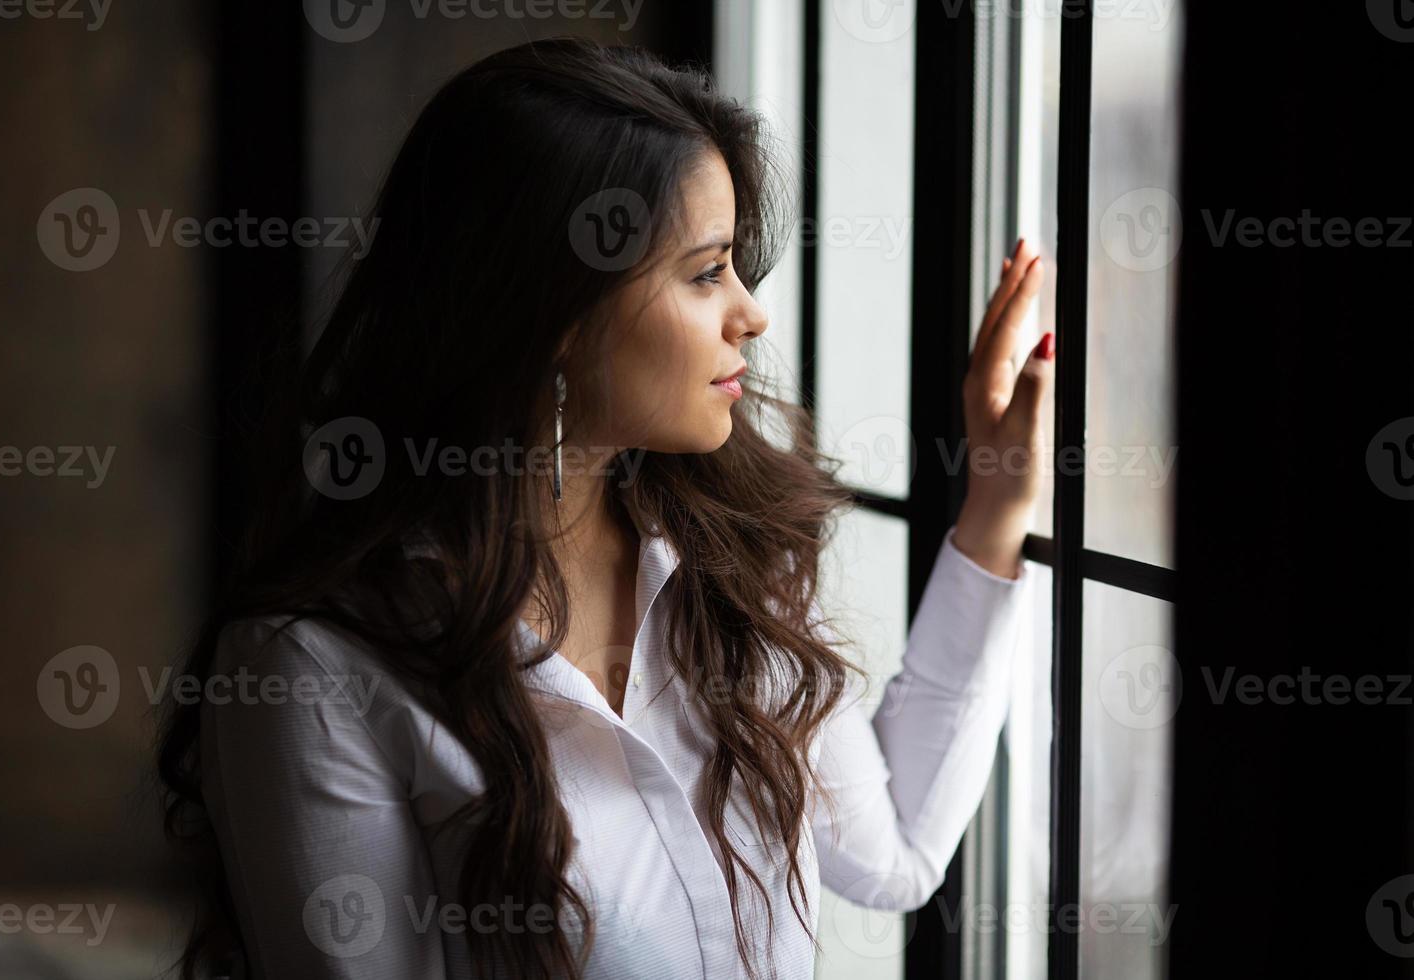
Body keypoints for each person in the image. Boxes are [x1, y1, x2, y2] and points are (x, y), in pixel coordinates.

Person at [156, 35, 1053, 980]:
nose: (753, 314)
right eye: (707, 273)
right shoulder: (314, 667)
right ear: (553, 311)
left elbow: (895, 851)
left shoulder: (726, 560)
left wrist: (994, 509)